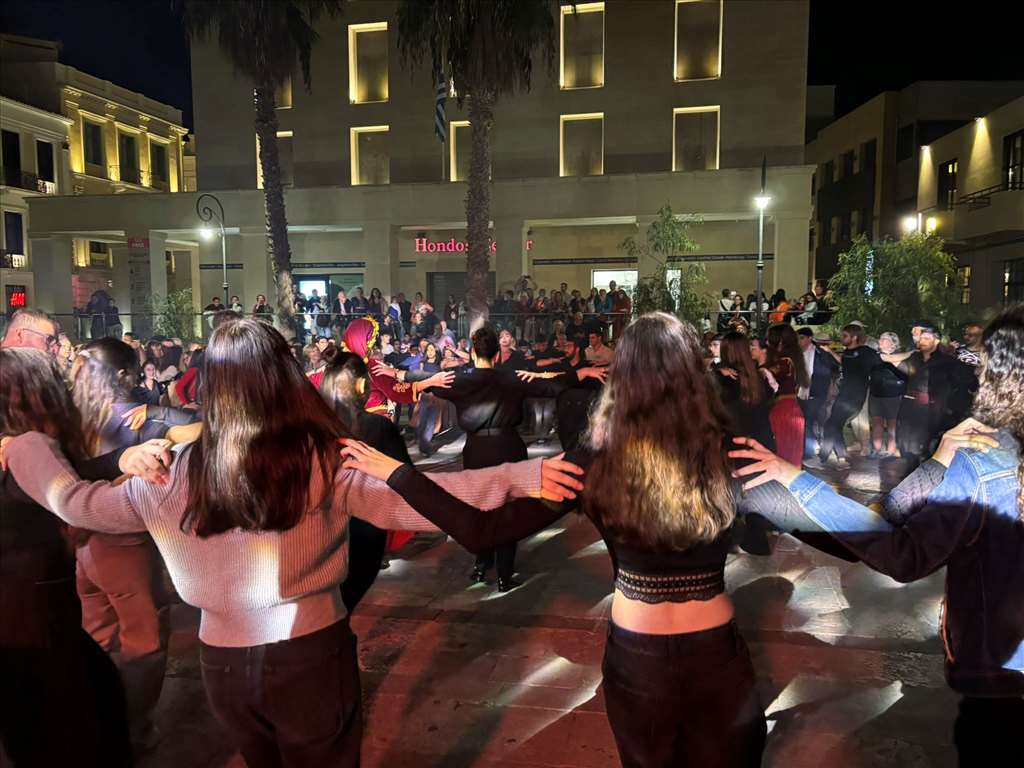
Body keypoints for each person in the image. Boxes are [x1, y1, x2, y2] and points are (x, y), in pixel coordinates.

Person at [3, 317, 580, 768]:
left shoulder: (167, 472)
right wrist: (525, 475)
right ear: (284, 381)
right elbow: (432, 499)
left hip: (222, 666)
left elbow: (75, 501)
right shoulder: (321, 463)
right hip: (309, 655)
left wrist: (23, 446)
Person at [348, 313, 851, 767]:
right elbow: (849, 539)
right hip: (714, 653)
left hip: (637, 657)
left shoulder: (592, 462)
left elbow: (480, 530)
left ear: (621, 378)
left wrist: (400, 474)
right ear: (693, 375)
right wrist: (799, 481)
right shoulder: (732, 456)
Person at [729, 304, 1024, 768]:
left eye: (986, 363)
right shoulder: (985, 457)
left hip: (999, 672)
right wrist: (939, 462)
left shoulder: (987, 461)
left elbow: (903, 553)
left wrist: (797, 481)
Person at [0, 348, 171, 767]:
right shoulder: (28, 445)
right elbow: (76, 501)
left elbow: (63, 476)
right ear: (37, 391)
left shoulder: (15, 446)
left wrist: (121, 459)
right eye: (58, 377)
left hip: (24, 614)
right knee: (71, 729)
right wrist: (165, 503)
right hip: (36, 619)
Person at [422, 327, 604, 592]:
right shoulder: (512, 378)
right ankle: (504, 575)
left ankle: (481, 564)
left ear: (473, 353)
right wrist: (582, 373)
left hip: (476, 450)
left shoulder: (460, 380)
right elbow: (550, 386)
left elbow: (426, 380)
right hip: (508, 446)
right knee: (508, 510)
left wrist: (400, 377)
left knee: (480, 506)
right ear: (497, 355)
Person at [813, 324, 879, 467]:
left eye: (845, 336)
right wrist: (830, 351)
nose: (841, 338)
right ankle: (841, 458)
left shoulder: (866, 352)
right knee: (834, 425)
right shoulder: (848, 352)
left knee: (832, 424)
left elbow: (880, 361)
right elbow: (844, 361)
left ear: (854, 337)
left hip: (854, 397)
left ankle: (824, 458)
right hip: (843, 395)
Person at [715, 331, 775, 452]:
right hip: (762, 444)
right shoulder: (759, 377)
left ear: (724, 351)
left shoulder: (721, 379)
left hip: (734, 445)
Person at [763, 324, 809, 465]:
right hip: (791, 408)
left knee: (783, 454)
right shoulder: (793, 360)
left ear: (780, 342)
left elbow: (765, 374)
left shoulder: (784, 363)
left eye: (769, 339)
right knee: (791, 454)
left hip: (784, 411)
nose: (766, 342)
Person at [796, 327, 839, 458]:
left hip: (816, 392)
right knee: (805, 421)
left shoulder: (820, 353)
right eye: (797, 338)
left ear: (810, 338)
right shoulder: (796, 353)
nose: (799, 341)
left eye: (802, 338)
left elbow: (832, 369)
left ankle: (809, 451)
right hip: (800, 392)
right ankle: (809, 447)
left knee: (809, 421)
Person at [868, 332, 906, 457]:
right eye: (880, 338)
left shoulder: (900, 357)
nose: (880, 341)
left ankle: (891, 451)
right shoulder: (875, 356)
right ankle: (876, 449)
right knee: (876, 422)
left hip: (894, 395)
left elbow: (906, 373)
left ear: (893, 343)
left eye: (884, 339)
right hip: (876, 394)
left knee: (892, 424)